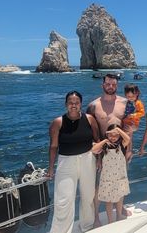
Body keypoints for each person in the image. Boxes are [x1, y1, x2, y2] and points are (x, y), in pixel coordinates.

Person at [48, 90, 100, 233]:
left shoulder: (89, 119)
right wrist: (51, 168)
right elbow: (53, 146)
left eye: (76, 103)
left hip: (88, 160)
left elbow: (97, 140)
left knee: (88, 197)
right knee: (63, 201)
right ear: (66, 104)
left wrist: (99, 160)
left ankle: (87, 227)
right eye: (71, 103)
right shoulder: (58, 122)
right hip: (66, 163)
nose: (73, 105)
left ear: (81, 104)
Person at [86, 73, 131, 227]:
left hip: (120, 150)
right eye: (107, 84)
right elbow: (90, 131)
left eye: (113, 84)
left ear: (116, 86)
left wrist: (129, 150)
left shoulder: (125, 103)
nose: (110, 87)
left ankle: (120, 208)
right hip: (101, 151)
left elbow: (129, 127)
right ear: (102, 85)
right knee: (99, 185)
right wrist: (97, 155)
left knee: (119, 179)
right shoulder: (93, 105)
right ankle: (97, 216)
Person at [92, 124, 131, 224]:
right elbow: (93, 149)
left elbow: (128, 139)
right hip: (107, 178)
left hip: (120, 176)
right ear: (107, 134)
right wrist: (105, 140)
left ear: (119, 135)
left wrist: (118, 129)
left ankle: (118, 215)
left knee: (120, 196)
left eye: (116, 135)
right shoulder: (104, 146)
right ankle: (110, 221)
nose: (113, 137)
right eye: (111, 135)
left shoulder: (122, 145)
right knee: (109, 201)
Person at [122, 83, 145, 161]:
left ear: (137, 94)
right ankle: (126, 151)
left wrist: (132, 115)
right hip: (126, 122)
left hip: (132, 123)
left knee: (129, 137)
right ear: (125, 95)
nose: (131, 98)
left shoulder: (138, 103)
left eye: (133, 96)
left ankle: (129, 152)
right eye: (128, 96)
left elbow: (142, 113)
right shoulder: (125, 102)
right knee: (126, 137)